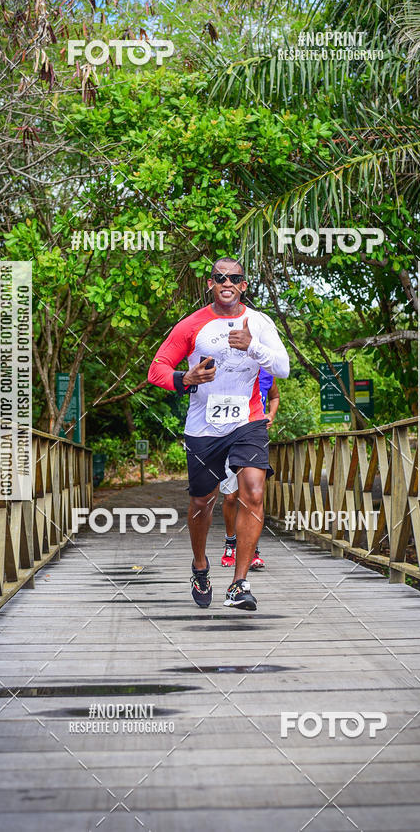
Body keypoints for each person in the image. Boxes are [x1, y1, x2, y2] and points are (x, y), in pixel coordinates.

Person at [147, 258, 290, 610]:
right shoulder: (193, 324)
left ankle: (239, 584)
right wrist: (186, 379)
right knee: (201, 501)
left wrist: (252, 346)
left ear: (244, 285)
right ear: (210, 284)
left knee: (253, 491)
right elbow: (156, 370)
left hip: (248, 420)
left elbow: (283, 368)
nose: (227, 282)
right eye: (219, 277)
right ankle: (200, 567)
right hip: (204, 427)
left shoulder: (259, 322)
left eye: (235, 278)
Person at [220, 372, 280, 570]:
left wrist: (271, 414)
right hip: (226, 436)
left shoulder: (266, 372)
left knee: (251, 498)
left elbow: (275, 396)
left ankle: (252, 549)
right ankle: (231, 542)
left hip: (253, 437)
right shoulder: (228, 367)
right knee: (230, 497)